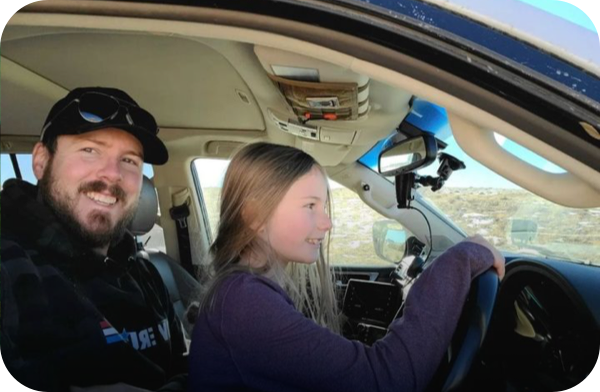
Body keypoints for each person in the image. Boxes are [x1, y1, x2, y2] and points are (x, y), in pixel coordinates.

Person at [187, 142, 505, 392]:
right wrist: (459, 261)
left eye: (323, 206)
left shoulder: (245, 291)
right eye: (310, 206)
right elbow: (385, 382)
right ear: (255, 216)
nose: (327, 223)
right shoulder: (244, 302)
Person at [1, 87, 188, 392]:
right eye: (90, 150)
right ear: (41, 161)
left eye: (130, 161)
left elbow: (181, 367)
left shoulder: (147, 275)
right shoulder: (11, 270)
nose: (113, 173)